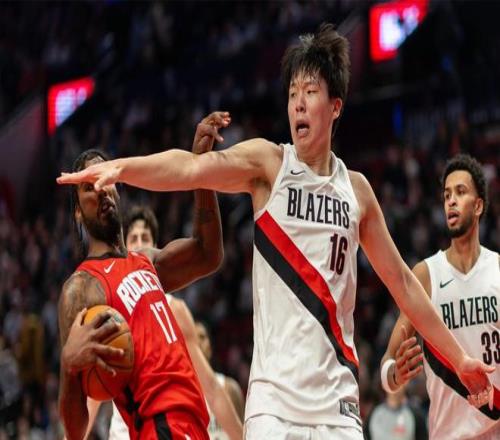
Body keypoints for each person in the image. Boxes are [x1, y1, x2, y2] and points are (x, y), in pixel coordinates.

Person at [57, 23, 494, 439]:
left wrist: (458, 358)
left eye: (310, 92)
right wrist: (122, 168)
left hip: (337, 406)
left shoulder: (357, 191)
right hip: (274, 407)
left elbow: (402, 282)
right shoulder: (269, 165)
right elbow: (189, 168)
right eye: (292, 94)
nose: (298, 104)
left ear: (335, 106)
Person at [57, 112, 229, 440]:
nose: (101, 190)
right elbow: (76, 430)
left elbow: (209, 253)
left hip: (194, 424)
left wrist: (201, 170)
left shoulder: (147, 262)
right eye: (89, 187)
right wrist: (68, 365)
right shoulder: (82, 288)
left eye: (104, 179)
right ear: (77, 211)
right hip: (158, 425)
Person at [84, 205, 243, 440]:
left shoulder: (174, 309)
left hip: (165, 426)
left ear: (154, 247)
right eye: (134, 238)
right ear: (124, 247)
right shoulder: (111, 307)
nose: (139, 243)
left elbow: (210, 386)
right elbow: (94, 392)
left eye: (145, 238)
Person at [380, 154, 500, 439]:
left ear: (478, 205)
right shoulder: (426, 275)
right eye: (447, 195)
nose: (451, 201)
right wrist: (395, 375)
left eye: (460, 192)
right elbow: (387, 362)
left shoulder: (497, 268)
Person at [195, 320, 245, 439]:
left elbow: (244, 434)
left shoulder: (229, 387)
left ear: (210, 347)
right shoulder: (182, 392)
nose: (198, 342)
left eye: (202, 337)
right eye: (194, 338)